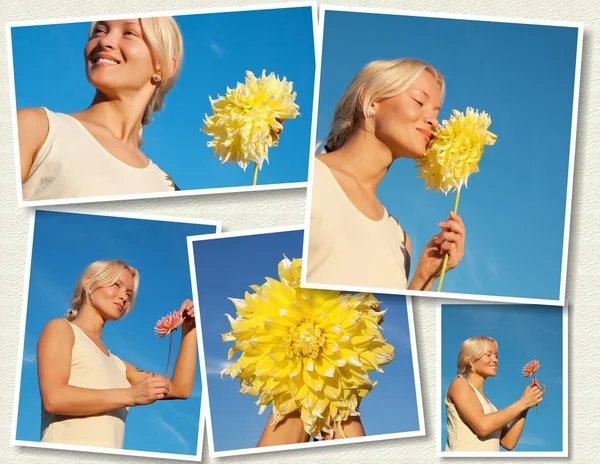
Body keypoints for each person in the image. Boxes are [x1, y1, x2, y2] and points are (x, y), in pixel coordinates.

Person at [306, 58, 466, 291]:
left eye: (435, 112)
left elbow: (387, 324)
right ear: (371, 101)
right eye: (419, 101)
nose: (434, 122)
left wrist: (424, 278)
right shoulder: (309, 177)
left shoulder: (401, 239)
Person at [18, 17, 183, 202]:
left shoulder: (167, 189)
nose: (104, 41)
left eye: (129, 33)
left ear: (163, 67)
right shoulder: (34, 128)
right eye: (100, 31)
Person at [37, 260, 197, 448]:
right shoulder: (61, 329)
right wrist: (130, 395)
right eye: (116, 285)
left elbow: (180, 388)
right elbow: (55, 398)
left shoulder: (120, 365)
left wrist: (190, 328)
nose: (123, 297)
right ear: (88, 284)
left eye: (128, 294)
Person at [445, 336, 546, 452]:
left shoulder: (491, 407)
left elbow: (508, 442)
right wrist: (522, 403)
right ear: (469, 359)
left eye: (496, 356)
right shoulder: (459, 384)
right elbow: (483, 426)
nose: (495, 360)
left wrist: (526, 406)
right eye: (489, 355)